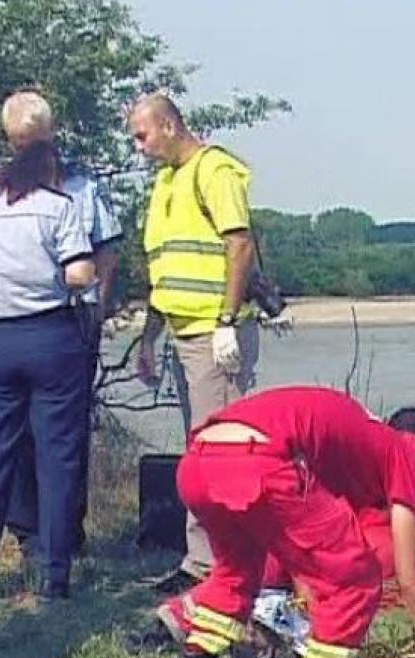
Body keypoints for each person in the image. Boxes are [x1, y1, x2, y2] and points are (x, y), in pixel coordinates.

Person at [167, 386, 415, 658]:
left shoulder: (352, 445)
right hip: (256, 460)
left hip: (197, 463)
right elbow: (410, 577)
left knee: (236, 576)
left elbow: (305, 550)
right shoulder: (411, 453)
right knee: (354, 578)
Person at [0, 139, 95, 601]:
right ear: (48, 171)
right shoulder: (58, 207)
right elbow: (80, 275)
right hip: (50, 334)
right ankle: (54, 576)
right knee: (58, 457)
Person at [130, 94, 262, 591]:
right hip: (184, 332)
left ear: (168, 126)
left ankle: (221, 569)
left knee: (220, 454)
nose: (139, 148)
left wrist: (227, 319)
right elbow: (166, 271)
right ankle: (202, 561)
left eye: (142, 136)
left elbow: (239, 244)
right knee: (199, 453)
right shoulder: (168, 181)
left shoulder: (214, 170)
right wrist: (148, 339)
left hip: (215, 335)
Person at [0, 89, 123, 559]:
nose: (24, 148)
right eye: (17, 141)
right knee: (16, 431)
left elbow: (106, 252)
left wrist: (97, 310)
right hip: (15, 320)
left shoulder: (83, 187)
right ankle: (27, 531)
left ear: (49, 134)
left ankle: (68, 531)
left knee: (67, 433)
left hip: (72, 321)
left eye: (31, 139)